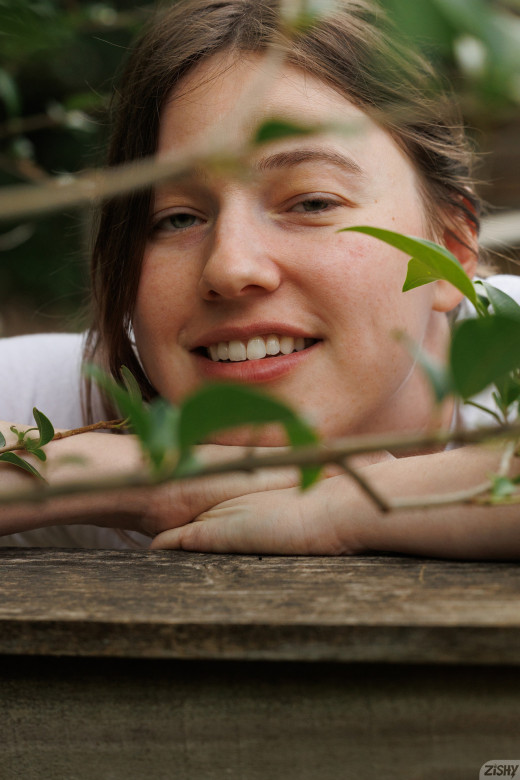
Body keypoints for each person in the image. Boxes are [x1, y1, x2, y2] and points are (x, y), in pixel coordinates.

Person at [0, 0, 519, 556]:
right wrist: (130, 475)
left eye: (313, 202)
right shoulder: (67, 403)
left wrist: (341, 507)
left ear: (451, 250)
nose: (230, 267)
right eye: (177, 218)